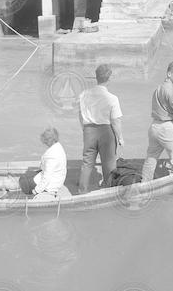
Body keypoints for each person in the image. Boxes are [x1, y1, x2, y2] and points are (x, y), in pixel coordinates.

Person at [78, 64, 124, 193]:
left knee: (87, 163)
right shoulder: (112, 98)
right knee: (109, 163)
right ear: (109, 78)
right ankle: (108, 191)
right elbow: (115, 121)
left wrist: (85, 129)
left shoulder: (83, 95)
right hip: (106, 131)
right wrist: (120, 137)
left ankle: (82, 191)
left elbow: (80, 115)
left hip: (89, 131)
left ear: (96, 77)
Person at [18, 127, 67, 199]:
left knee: (23, 180)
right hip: (54, 179)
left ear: (50, 140)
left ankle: (12, 186)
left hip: (50, 186)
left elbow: (47, 177)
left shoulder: (52, 156)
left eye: (45, 140)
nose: (44, 143)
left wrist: (36, 191)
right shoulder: (58, 147)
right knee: (27, 175)